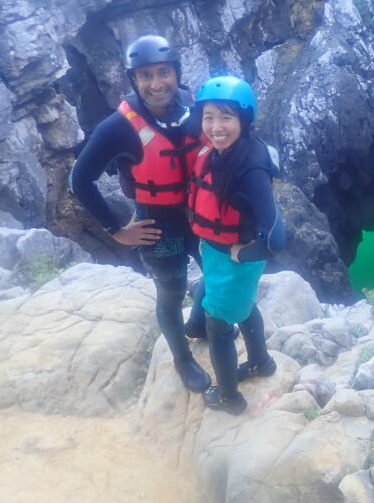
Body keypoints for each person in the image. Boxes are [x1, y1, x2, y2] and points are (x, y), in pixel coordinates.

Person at [70, 34, 212, 393]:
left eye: (163, 73)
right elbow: (81, 179)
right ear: (134, 80)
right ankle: (182, 359)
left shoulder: (193, 104)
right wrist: (117, 230)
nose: (156, 83)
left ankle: (197, 324)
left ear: (176, 73)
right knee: (171, 291)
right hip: (158, 222)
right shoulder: (117, 127)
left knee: (218, 273)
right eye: (145, 76)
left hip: (201, 211)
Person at [188, 75, 285, 415]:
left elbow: (276, 238)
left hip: (235, 260)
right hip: (219, 254)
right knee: (242, 307)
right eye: (209, 117)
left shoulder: (250, 167)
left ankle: (229, 397)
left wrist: (244, 253)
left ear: (244, 120)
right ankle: (261, 363)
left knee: (218, 325)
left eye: (226, 117)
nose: (216, 127)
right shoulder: (220, 151)